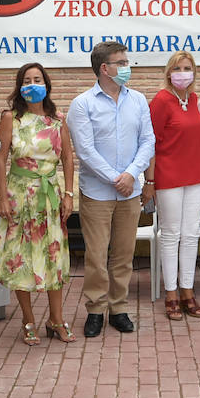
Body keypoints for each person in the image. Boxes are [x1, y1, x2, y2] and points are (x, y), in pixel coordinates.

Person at [68, 40, 156, 337]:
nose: (127, 67)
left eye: (126, 61)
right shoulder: (82, 104)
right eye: (121, 62)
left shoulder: (139, 100)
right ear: (104, 68)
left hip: (129, 192)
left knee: (123, 254)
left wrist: (131, 175)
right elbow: (85, 150)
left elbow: (148, 141)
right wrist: (115, 178)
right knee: (95, 255)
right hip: (97, 193)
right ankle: (95, 309)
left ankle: (118, 308)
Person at [0, 63, 76, 344]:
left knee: (53, 256)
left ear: (46, 84)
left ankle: (56, 319)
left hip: (50, 197)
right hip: (20, 197)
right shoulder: (11, 118)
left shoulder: (58, 119)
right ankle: (28, 320)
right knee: (22, 258)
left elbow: (67, 158)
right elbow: (1, 158)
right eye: (26, 80)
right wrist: (2, 197)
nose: (32, 84)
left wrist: (68, 194)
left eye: (37, 79)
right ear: (20, 86)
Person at [145, 51, 200, 319]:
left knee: (191, 235)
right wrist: (150, 180)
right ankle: (170, 292)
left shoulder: (194, 99)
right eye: (178, 68)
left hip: (196, 176)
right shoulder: (161, 100)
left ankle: (187, 291)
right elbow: (150, 142)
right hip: (168, 177)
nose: (183, 72)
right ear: (169, 72)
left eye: (188, 68)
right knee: (170, 235)